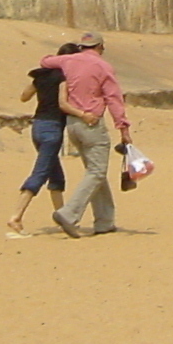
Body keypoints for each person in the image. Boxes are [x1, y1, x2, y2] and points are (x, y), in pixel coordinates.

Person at [43, 31, 134, 238]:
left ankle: (105, 220)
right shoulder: (103, 66)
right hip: (92, 123)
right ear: (100, 47)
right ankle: (69, 213)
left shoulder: (68, 60)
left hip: (73, 123)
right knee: (97, 172)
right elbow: (114, 100)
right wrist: (124, 129)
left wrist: (62, 63)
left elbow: (45, 61)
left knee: (96, 171)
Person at [6, 43, 91, 234]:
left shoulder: (40, 75)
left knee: (56, 176)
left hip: (37, 126)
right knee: (41, 172)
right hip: (52, 129)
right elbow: (64, 102)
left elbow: (24, 97)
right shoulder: (63, 79)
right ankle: (16, 216)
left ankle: (62, 217)